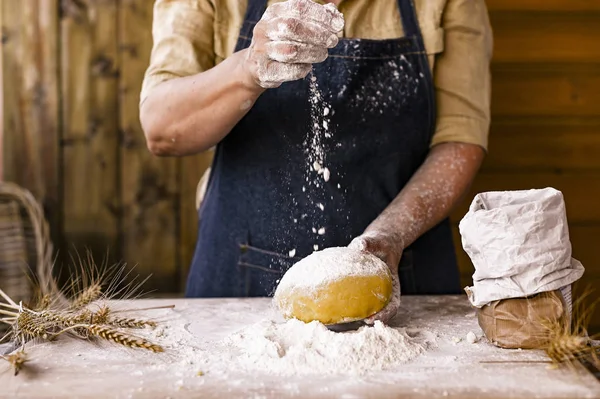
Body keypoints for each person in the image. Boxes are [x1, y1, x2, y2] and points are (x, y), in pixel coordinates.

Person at [139, 0, 493, 324]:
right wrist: (249, 68)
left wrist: (390, 236)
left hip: (403, 277)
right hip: (240, 280)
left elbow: (460, 138)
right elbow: (162, 129)